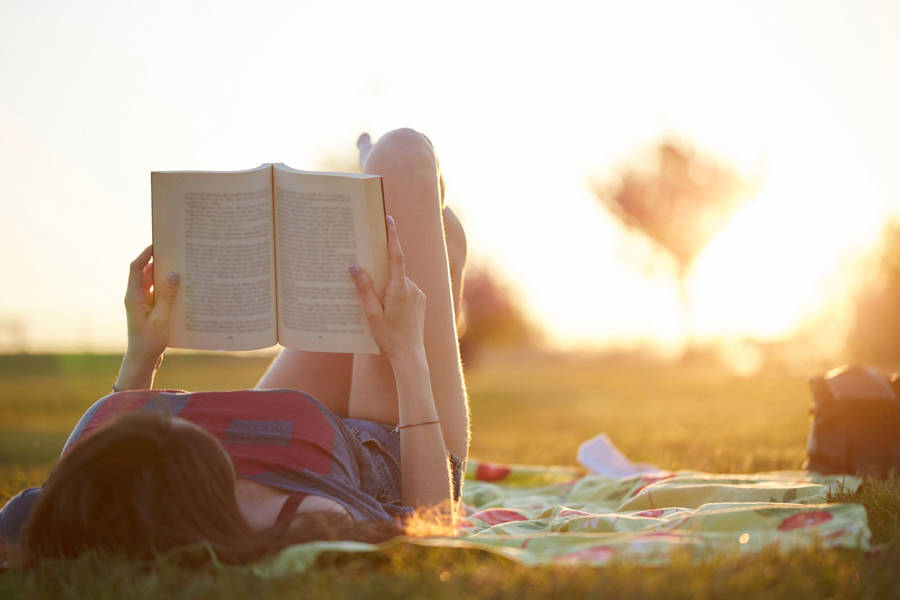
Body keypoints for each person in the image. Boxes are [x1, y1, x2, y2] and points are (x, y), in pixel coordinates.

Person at [0, 129, 470, 566]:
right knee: (403, 156)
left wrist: (143, 353)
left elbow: (93, 483)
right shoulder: (300, 517)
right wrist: (408, 352)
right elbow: (429, 529)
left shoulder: (85, 497)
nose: (179, 411)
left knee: (387, 212)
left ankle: (430, 242)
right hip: (393, 438)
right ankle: (434, 256)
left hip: (294, 426)